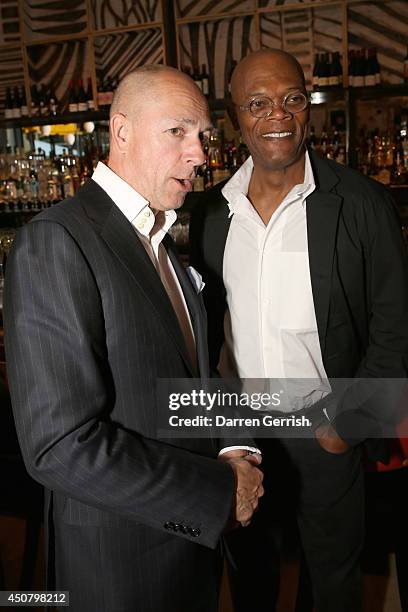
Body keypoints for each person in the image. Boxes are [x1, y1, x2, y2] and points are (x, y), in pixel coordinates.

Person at [3, 65, 264, 612]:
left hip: (189, 549)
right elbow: (57, 446)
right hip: (119, 565)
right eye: (178, 132)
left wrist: (233, 446)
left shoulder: (161, 241)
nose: (200, 154)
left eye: (203, 137)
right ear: (121, 131)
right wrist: (218, 492)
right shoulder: (56, 241)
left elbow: (193, 377)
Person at [190, 49, 408, 611]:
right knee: (251, 580)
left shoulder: (362, 203)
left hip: (325, 428)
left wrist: (349, 426)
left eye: (291, 99)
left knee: (333, 584)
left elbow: (395, 329)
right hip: (243, 438)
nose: (277, 116)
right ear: (236, 116)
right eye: (258, 104)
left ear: (307, 105)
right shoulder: (209, 213)